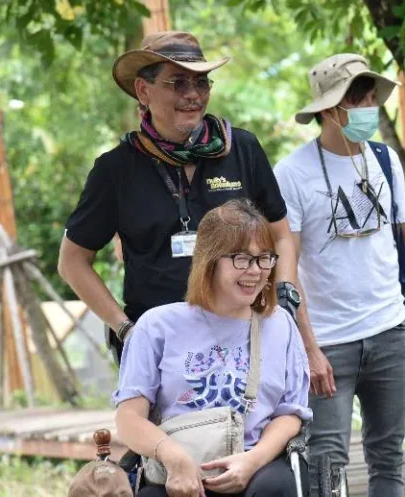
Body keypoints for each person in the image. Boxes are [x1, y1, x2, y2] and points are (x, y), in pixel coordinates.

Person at [58, 31, 307, 363]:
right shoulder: (115, 169)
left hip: (244, 336)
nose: (193, 95)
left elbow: (281, 235)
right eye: (177, 83)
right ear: (143, 91)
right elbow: (72, 261)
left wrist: (285, 293)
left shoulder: (242, 149)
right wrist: (127, 330)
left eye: (202, 83)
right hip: (162, 347)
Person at [273, 54, 405, 497]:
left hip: (389, 332)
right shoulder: (293, 173)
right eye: (358, 97)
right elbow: (285, 265)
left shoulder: (385, 161)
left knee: (388, 459)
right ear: (330, 110)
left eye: (372, 95)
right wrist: (307, 346)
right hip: (328, 342)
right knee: (327, 468)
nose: (370, 105)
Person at [113, 199, 312, 497]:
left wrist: (251, 461)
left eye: (264, 259)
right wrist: (175, 458)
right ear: (209, 260)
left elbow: (290, 414)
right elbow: (129, 419)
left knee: (276, 487)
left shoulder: (280, 324)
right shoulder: (156, 326)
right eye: (242, 259)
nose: (256, 271)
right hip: (178, 466)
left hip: (256, 464)